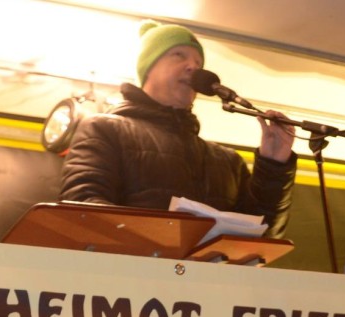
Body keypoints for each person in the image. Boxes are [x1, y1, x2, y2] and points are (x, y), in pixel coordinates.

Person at [60, 20, 297, 238]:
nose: (192, 67)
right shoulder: (103, 129)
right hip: (132, 279)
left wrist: (274, 166)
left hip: (205, 284)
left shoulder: (228, 162)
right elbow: (81, 207)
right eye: (179, 55)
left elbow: (262, 235)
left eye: (198, 63)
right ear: (148, 67)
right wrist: (161, 240)